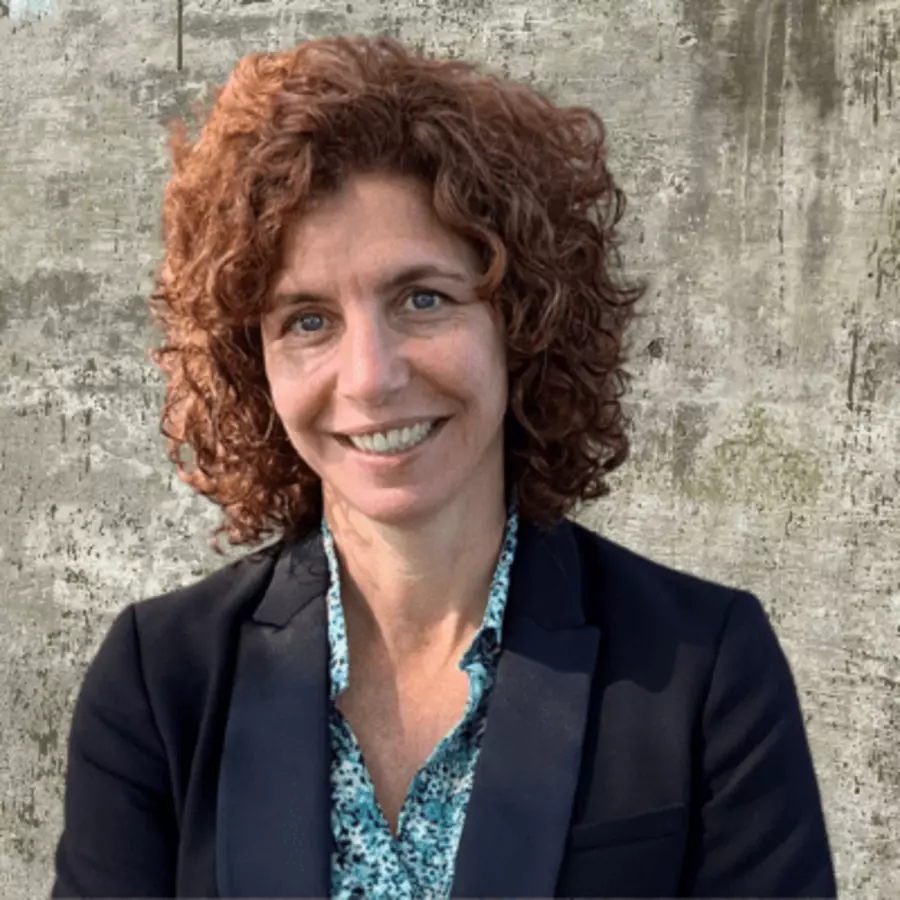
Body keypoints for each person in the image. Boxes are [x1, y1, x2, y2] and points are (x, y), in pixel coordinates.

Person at [51, 35, 836, 899]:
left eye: (422, 299)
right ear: (254, 364)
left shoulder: (707, 670)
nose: (370, 376)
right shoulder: (159, 683)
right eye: (308, 320)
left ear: (523, 319)